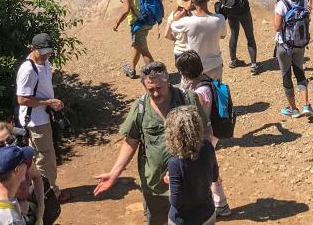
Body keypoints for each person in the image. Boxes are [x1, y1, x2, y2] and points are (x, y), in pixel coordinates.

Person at [92, 62, 208, 225]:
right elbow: (131, 141)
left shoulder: (188, 99)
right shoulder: (140, 108)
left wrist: (199, 163)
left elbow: (204, 133)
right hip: (155, 186)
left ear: (168, 80)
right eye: (150, 89)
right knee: (157, 221)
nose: (155, 93)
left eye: (159, 88)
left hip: (187, 183)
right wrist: (114, 173)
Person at [174, 51, 231, 217]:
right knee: (210, 169)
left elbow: (198, 115)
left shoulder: (200, 92)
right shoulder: (205, 79)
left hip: (205, 135)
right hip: (212, 132)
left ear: (185, 72)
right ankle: (221, 204)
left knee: (205, 171)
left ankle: (217, 205)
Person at [15, 33, 69, 203]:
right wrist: (48, 101)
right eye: (42, 52)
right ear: (32, 49)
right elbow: (22, 99)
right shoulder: (28, 70)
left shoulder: (44, 64)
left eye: (48, 52)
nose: (46, 56)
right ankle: (49, 195)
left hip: (43, 118)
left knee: (43, 157)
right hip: (36, 122)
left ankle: (41, 194)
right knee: (45, 160)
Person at [165, 105, 221, 225]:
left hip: (183, 220)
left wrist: (171, 181)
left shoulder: (175, 163)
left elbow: (176, 202)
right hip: (207, 214)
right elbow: (215, 177)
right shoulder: (208, 146)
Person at [114, 0, 166, 79]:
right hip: (150, 20)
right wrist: (156, 7)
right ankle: (132, 69)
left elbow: (126, 10)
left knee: (144, 50)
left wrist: (117, 23)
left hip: (137, 24)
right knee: (138, 44)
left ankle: (159, 76)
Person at [165, 0, 227, 80]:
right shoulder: (220, 19)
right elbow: (222, 36)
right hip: (215, 65)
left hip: (195, 68)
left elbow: (172, 24)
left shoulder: (188, 22)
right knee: (215, 93)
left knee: (193, 94)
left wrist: (185, 9)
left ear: (192, 2)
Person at [274, 0, 312, 118]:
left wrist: (276, 10)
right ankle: (306, 105)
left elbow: (277, 27)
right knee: (300, 72)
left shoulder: (282, 4)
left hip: (284, 45)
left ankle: (293, 109)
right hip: (300, 43)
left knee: (286, 74)